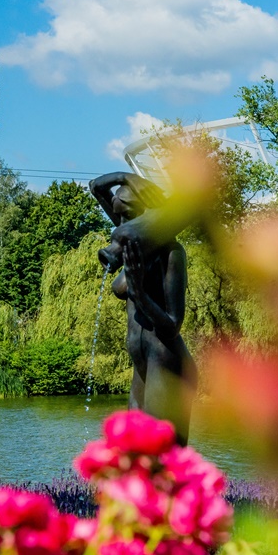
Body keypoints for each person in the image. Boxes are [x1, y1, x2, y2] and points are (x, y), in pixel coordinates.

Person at [89, 172, 197, 444]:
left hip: (165, 358)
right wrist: (126, 177)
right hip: (142, 359)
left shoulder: (170, 253)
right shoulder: (133, 244)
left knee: (159, 451)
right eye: (118, 215)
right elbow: (96, 186)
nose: (120, 223)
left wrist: (138, 292)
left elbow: (172, 325)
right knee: (132, 448)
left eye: (127, 215)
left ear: (145, 215)